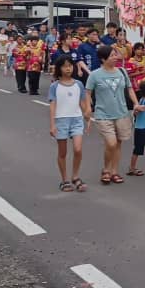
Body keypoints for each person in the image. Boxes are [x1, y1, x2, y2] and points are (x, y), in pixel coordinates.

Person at [86, 44, 143, 185]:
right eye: (112, 55)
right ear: (103, 59)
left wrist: (136, 104)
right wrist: (88, 108)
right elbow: (87, 93)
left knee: (118, 144)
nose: (115, 58)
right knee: (111, 143)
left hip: (122, 113)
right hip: (103, 114)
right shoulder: (94, 75)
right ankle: (106, 169)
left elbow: (130, 90)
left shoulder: (122, 72)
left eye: (115, 55)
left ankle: (114, 172)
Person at [48, 56, 91, 193]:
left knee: (78, 149)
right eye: (65, 66)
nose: (68, 68)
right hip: (61, 120)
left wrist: (88, 118)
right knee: (63, 152)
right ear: (59, 69)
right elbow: (52, 106)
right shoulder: (55, 86)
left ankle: (75, 176)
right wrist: (53, 124)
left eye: (70, 65)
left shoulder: (78, 84)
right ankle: (65, 179)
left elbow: (83, 103)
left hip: (76, 119)